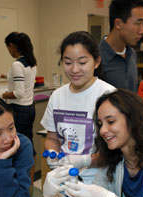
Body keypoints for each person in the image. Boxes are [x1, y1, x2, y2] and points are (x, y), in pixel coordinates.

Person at [40, 31, 115, 184]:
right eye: (68, 63)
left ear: (96, 62)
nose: (74, 70)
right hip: (65, 178)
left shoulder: (109, 95)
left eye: (82, 63)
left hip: (100, 181)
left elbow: (116, 150)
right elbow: (52, 138)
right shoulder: (57, 96)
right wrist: (53, 154)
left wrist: (84, 160)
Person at [0, 31, 37, 181]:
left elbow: (18, 93)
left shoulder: (17, 64)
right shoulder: (30, 62)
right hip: (29, 108)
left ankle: (22, 181)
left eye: (7, 48)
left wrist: (0, 94)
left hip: (19, 110)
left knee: (19, 148)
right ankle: (28, 181)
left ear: (12, 46)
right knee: (28, 145)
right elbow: (16, 77)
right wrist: (0, 75)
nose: (8, 51)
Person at [99, 0, 143, 92]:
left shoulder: (132, 54)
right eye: (138, 23)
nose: (142, 30)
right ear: (118, 24)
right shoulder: (96, 58)